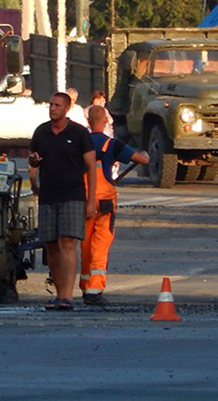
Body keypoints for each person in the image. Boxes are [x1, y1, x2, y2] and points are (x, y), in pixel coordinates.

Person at [28, 92, 97, 311]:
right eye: (50, 105)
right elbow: (33, 159)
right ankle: (58, 295)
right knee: (51, 246)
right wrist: (33, 177)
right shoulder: (42, 132)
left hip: (72, 196)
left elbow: (91, 168)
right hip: (48, 196)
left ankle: (68, 295)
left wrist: (91, 199)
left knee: (67, 243)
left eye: (57, 105)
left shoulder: (78, 133)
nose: (52, 108)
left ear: (67, 108)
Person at [80, 104, 149, 305]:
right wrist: (145, 155)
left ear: (89, 122)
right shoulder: (111, 144)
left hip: (83, 201)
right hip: (105, 203)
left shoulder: (81, 144)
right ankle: (95, 290)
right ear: (104, 121)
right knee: (100, 244)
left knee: (85, 245)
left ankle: (85, 286)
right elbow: (140, 160)